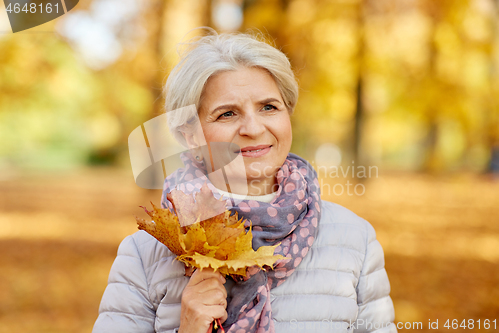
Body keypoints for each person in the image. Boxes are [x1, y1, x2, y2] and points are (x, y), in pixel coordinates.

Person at [93, 27, 397, 333]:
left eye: (269, 107)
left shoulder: (354, 240)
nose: (253, 128)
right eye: (227, 114)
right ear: (190, 135)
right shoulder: (145, 255)